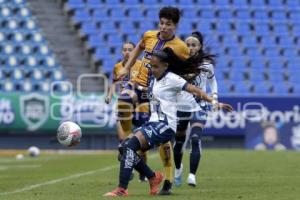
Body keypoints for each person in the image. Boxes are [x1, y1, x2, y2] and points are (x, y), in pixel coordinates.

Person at [103, 48, 233, 197]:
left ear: (165, 66)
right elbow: (148, 92)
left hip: (165, 125)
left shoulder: (172, 79)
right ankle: (153, 177)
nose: (152, 69)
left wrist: (214, 101)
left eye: (156, 66)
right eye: (151, 66)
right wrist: (132, 89)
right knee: (125, 148)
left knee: (130, 146)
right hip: (153, 123)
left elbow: (195, 90)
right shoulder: (153, 79)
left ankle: (122, 189)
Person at [116, 6, 190, 195]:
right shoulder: (149, 35)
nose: (164, 27)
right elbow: (139, 48)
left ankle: (168, 179)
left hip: (158, 93)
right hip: (139, 84)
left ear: (176, 26)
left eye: (169, 24)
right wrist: (127, 68)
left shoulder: (180, 47)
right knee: (124, 100)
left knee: (163, 139)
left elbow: (188, 70)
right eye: (162, 23)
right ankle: (125, 140)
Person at [173, 31, 218, 187]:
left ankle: (192, 175)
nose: (190, 47)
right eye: (188, 45)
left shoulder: (207, 65)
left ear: (200, 47)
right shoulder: (178, 63)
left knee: (195, 138)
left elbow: (213, 82)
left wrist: (215, 98)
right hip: (181, 106)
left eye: (194, 45)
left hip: (199, 106)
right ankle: (178, 169)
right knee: (178, 143)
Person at [105, 42, 148, 181]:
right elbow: (114, 83)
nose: (127, 52)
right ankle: (128, 172)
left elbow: (145, 85)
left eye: (130, 50)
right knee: (123, 143)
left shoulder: (141, 65)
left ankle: (143, 172)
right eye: (125, 50)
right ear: (121, 52)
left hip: (139, 107)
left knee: (141, 146)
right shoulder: (117, 67)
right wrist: (109, 95)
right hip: (124, 106)